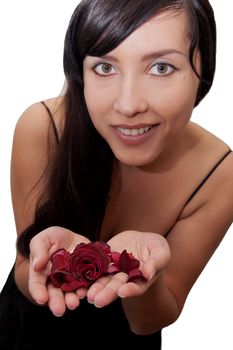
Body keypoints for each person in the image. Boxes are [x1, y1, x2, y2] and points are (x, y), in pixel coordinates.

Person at [0, 0, 232, 349]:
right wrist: (44, 270)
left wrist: (147, 281)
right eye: (105, 68)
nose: (128, 105)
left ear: (204, 69)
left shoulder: (220, 174)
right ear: (80, 72)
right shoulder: (43, 128)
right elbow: (23, 271)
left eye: (161, 67)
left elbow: (154, 318)